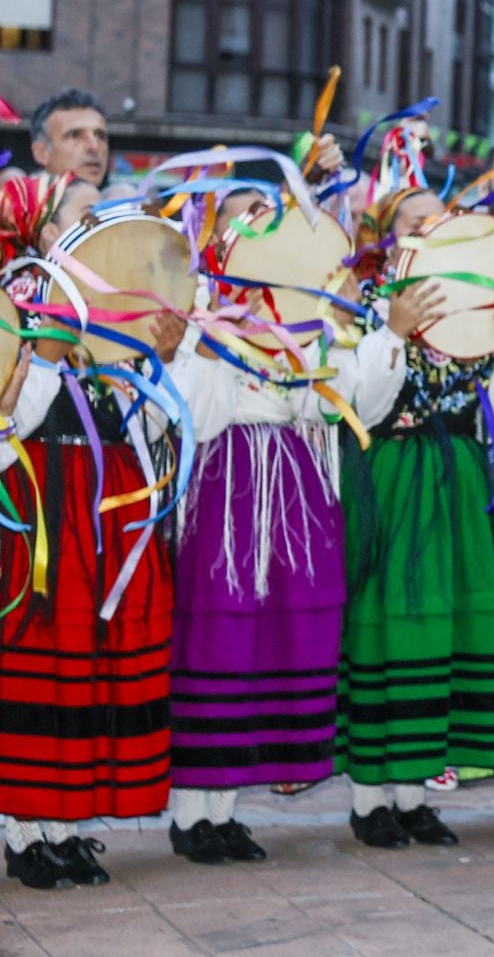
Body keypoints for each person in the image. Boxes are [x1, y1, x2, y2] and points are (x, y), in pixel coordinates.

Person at [162, 214, 414, 865]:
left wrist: (374, 337)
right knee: (222, 630)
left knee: (280, 630)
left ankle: (228, 806)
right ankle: (194, 812)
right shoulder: (207, 321)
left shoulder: (314, 321)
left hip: (300, 478)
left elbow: (353, 406)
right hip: (229, 482)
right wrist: (211, 341)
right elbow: (194, 413)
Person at [337, 188, 494, 850]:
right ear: (391, 234)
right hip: (396, 486)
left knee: (445, 627)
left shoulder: (481, 315)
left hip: (458, 487)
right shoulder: (366, 309)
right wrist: (393, 335)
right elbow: (360, 408)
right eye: (413, 220)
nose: (428, 228)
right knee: (389, 626)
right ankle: (371, 798)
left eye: (439, 220)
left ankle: (416, 793)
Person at [0, 173, 184, 889]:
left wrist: (157, 360)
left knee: (92, 665)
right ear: (44, 234)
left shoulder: (122, 321)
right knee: (42, 659)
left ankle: (69, 825)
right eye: (82, 221)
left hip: (108, 508)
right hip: (41, 506)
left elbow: (153, 427)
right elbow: (13, 423)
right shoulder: (15, 306)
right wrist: (44, 355)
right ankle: (24, 827)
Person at [28, 89, 111, 187]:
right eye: (74, 135)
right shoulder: (15, 200)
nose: (93, 146)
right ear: (41, 153)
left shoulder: (127, 198)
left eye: (100, 136)